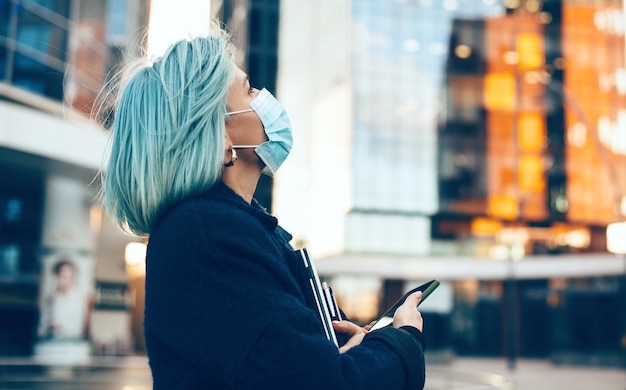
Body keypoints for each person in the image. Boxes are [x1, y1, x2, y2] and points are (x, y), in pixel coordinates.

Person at [99, 24, 426, 389]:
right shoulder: (208, 237)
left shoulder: (230, 228)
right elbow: (323, 383)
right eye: (249, 90)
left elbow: (296, 364)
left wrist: (351, 343)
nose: (264, 97)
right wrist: (403, 340)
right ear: (221, 136)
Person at [38, 258, 89, 339]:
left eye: (67, 276)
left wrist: (59, 328)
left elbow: (79, 329)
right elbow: (41, 328)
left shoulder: (79, 300)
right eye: (61, 276)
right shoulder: (51, 299)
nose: (64, 280)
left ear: (73, 277)